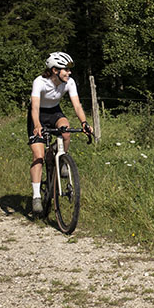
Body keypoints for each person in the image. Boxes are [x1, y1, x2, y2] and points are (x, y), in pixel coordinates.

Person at [28, 52, 92, 216]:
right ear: (55, 70)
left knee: (66, 130)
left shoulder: (69, 82)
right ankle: (36, 196)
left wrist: (84, 123)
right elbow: (35, 107)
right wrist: (37, 125)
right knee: (38, 155)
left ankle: (62, 159)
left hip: (54, 112)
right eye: (66, 70)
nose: (69, 73)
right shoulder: (40, 82)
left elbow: (77, 106)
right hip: (38, 114)